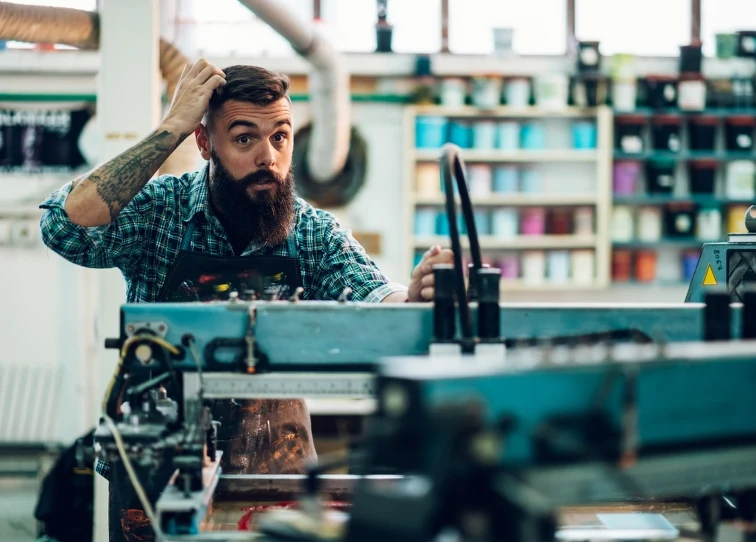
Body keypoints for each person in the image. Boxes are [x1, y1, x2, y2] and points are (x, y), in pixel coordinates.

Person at [39, 59, 453, 541]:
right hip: (156, 472)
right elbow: (63, 228)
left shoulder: (311, 231)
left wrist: (416, 299)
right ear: (203, 143)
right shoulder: (160, 215)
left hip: (273, 477)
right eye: (243, 138)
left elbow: (374, 299)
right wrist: (172, 126)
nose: (268, 157)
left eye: (280, 136)